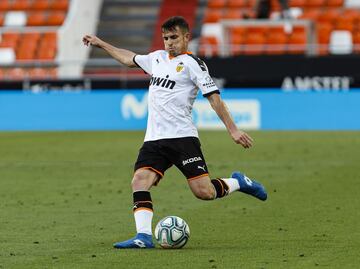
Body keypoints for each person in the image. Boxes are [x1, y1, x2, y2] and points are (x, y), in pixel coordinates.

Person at [83, 16, 267, 249]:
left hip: (182, 138)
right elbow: (128, 58)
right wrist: (102, 43)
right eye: (166, 38)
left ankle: (239, 182)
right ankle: (143, 236)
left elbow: (214, 99)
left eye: (174, 38)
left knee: (204, 192)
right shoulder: (156, 59)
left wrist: (233, 130)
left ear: (186, 37)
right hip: (154, 139)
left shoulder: (194, 65)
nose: (169, 42)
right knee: (139, 181)